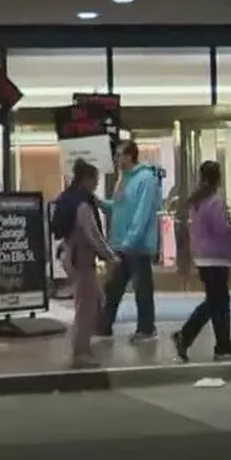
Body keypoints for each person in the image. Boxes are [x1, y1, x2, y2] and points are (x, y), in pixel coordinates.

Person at [172, 161, 231, 363]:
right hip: (217, 258)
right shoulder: (215, 202)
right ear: (218, 177)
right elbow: (224, 232)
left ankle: (223, 343)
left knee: (220, 301)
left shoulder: (198, 202)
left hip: (203, 257)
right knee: (214, 302)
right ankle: (185, 335)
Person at [51, 159, 118, 367]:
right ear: (86, 179)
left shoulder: (68, 198)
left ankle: (83, 348)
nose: (96, 185)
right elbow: (92, 235)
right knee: (87, 307)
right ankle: (81, 352)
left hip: (72, 256)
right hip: (81, 258)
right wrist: (110, 256)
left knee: (93, 301)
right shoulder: (81, 203)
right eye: (95, 180)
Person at [98, 140, 163, 343]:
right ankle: (104, 325)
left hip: (138, 246)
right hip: (121, 243)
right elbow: (120, 206)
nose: (116, 160)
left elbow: (142, 213)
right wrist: (103, 205)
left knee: (142, 289)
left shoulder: (146, 179)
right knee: (114, 288)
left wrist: (131, 239)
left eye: (119, 155)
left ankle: (146, 329)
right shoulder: (123, 178)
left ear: (129, 156)